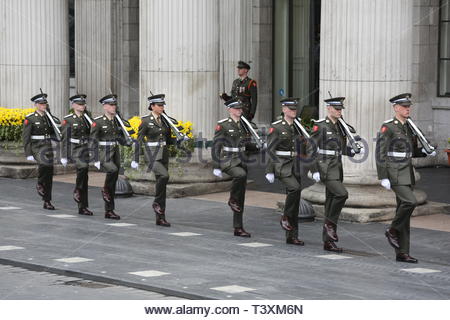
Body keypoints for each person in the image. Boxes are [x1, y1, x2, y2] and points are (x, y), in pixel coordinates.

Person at [376, 93, 436, 263]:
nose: (407, 108)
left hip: (407, 172)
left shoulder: (409, 127)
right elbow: (380, 153)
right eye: (404, 106)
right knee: (410, 202)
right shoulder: (388, 127)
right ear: (396, 108)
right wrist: (383, 176)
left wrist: (425, 152)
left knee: (404, 212)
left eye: (408, 106)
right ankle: (392, 230)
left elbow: (411, 152)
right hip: (394, 172)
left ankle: (402, 252)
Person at [309, 96, 358, 252]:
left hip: (337, 167)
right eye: (336, 109)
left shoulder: (340, 126)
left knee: (331, 202)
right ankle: (330, 224)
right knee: (342, 194)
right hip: (325, 167)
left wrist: (351, 151)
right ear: (328, 108)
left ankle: (328, 241)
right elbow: (310, 148)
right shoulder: (320, 126)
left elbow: (339, 148)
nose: (339, 111)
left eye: (340, 109)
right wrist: (314, 169)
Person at [265, 98, 309, 245]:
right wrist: (269, 170)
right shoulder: (277, 127)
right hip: (282, 165)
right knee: (294, 188)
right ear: (284, 110)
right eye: (290, 109)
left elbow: (303, 146)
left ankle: (292, 236)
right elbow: (270, 149)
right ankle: (285, 217)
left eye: (295, 109)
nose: (293, 111)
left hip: (295, 165)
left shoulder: (298, 127)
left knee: (295, 200)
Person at [131, 94, 177, 227]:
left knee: (161, 184)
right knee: (164, 175)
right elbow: (139, 140)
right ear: (152, 106)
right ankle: (157, 203)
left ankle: (160, 216)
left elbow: (168, 139)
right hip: (151, 155)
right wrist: (135, 158)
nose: (162, 107)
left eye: (163, 105)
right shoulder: (145, 121)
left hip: (164, 154)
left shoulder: (165, 120)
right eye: (159, 105)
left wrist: (179, 140)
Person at [212, 98, 252, 237]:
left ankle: (238, 227)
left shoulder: (245, 124)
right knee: (240, 175)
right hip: (228, 159)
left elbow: (247, 144)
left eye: (240, 108)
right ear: (229, 110)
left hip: (242, 159)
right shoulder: (223, 125)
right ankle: (232, 199)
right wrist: (216, 165)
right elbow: (216, 146)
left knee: (241, 196)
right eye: (236, 108)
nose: (239, 111)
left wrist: (260, 145)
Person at [22, 91, 60, 210]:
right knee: (44, 164)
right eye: (42, 104)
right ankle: (39, 182)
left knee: (49, 173)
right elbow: (26, 137)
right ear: (36, 104)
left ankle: (47, 201)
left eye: (45, 104)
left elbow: (54, 132)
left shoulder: (48, 118)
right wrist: (28, 153)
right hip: (37, 147)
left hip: (47, 146)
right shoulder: (30, 118)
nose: (44, 106)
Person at [60, 94, 94, 216]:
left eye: (83, 104)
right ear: (73, 105)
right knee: (83, 168)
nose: (82, 106)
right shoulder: (68, 119)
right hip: (75, 149)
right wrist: (63, 155)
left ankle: (82, 205)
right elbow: (64, 139)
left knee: (85, 176)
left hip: (85, 148)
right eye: (79, 104)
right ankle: (78, 190)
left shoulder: (87, 118)